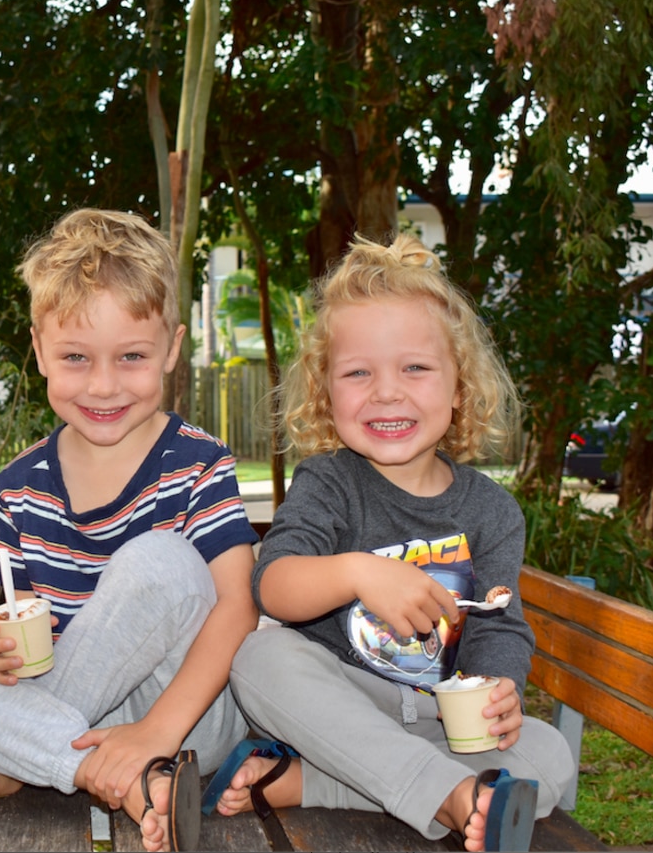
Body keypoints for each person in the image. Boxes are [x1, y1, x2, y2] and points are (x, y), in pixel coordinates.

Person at [0, 208, 259, 852]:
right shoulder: (17, 487)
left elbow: (237, 607)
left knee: (161, 561)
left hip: (184, 718)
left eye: (132, 357)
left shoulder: (198, 462)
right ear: (40, 349)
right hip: (53, 713)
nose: (103, 385)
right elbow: (23, 628)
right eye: (75, 357)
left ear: (173, 349)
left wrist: (157, 731)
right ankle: (114, 779)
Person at [204, 233, 575, 852]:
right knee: (258, 661)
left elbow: (498, 626)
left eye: (415, 368)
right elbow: (273, 586)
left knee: (551, 753)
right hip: (338, 712)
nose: (386, 391)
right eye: (357, 373)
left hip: (436, 723)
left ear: (459, 388)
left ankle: (318, 785)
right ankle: (452, 796)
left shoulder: (492, 511)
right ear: (327, 396)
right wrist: (355, 572)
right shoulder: (329, 481)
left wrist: (496, 693)